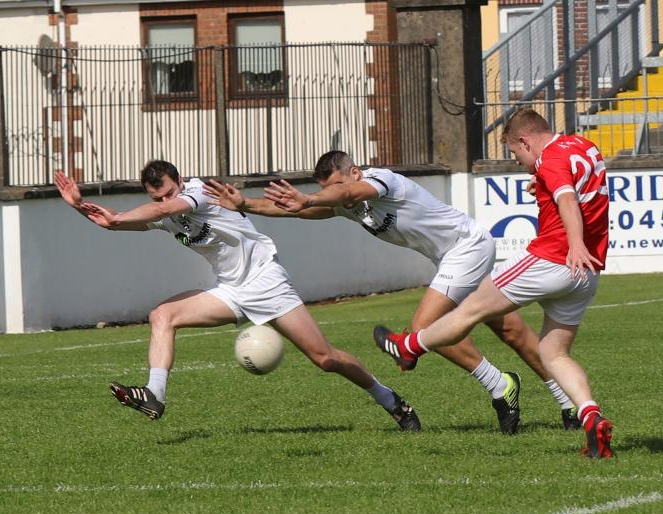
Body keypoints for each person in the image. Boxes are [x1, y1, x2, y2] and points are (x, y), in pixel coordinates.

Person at [204, 151, 580, 434]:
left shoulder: (381, 179)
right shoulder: (348, 205)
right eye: (326, 189)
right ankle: (569, 403)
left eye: (338, 185)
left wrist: (316, 198)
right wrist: (247, 204)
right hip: (450, 257)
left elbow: (343, 193)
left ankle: (500, 384)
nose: (336, 194)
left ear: (354, 172)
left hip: (466, 248)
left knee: (420, 336)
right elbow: (300, 211)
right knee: (509, 329)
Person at [53, 162, 420, 431]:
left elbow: (160, 210)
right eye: (157, 195)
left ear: (180, 181)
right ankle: (155, 394)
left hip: (266, 282)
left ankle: (392, 401)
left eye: (169, 191)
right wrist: (78, 206)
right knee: (162, 315)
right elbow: (113, 220)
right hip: (231, 290)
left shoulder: (199, 192)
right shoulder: (163, 209)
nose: (165, 198)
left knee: (325, 359)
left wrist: (130, 215)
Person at [371, 108, 614, 457]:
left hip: (554, 258)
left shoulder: (552, 160)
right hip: (587, 271)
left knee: (470, 307)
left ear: (525, 140)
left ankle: (411, 346)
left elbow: (567, 199)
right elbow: (578, 188)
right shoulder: (583, 147)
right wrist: (544, 185)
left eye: (515, 152)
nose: (517, 161)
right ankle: (590, 416)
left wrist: (573, 242)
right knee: (554, 352)